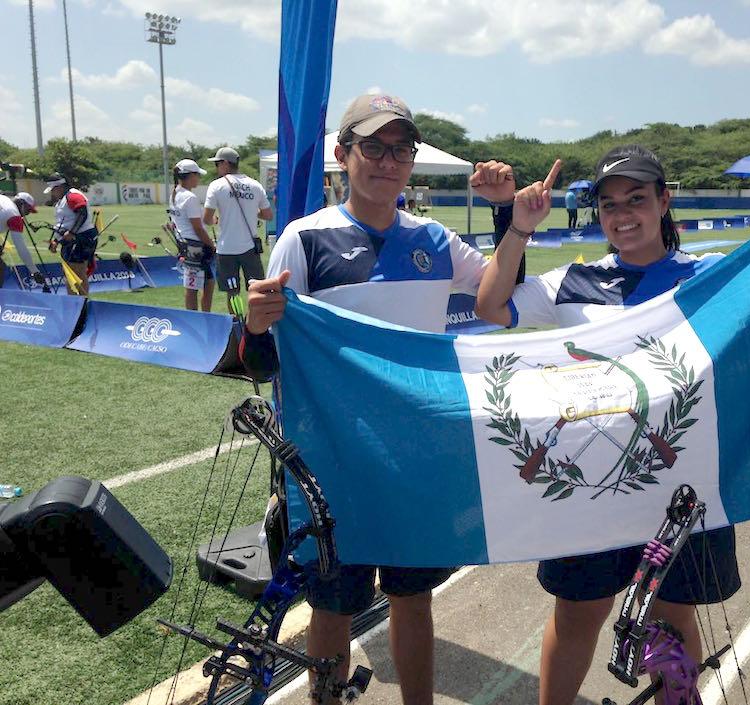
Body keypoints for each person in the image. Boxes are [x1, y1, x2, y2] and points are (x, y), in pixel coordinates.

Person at [474, 144, 750, 705]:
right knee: (578, 612)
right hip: (587, 488)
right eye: (609, 204)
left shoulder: (711, 279)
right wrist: (518, 227)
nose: (623, 213)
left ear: (664, 200)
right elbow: (491, 307)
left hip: (679, 485)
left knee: (672, 613)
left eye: (637, 198)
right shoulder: (571, 282)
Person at [242, 93, 515, 705]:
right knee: (332, 607)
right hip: (331, 463)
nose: (388, 161)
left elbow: (502, 295)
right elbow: (263, 362)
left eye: (401, 149)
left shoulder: (437, 239)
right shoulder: (304, 239)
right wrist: (255, 323)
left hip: (415, 460)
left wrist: (509, 218)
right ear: (343, 156)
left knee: (413, 601)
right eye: (373, 147)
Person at [203, 147, 273, 312]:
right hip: (250, 248)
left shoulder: (216, 186)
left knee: (232, 292)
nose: (217, 168)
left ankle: (236, 326)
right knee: (256, 290)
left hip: (226, 248)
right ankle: (255, 325)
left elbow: (207, 219)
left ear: (226, 164)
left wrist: (215, 220)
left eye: (218, 164)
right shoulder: (255, 185)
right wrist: (252, 212)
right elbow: (268, 215)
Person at [168, 159, 216, 311]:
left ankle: (195, 317)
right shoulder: (190, 197)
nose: (199, 179)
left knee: (193, 285)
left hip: (185, 244)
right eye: (197, 175)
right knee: (205, 285)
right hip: (196, 245)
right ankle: (204, 317)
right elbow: (198, 228)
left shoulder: (175, 194)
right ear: (191, 176)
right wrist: (211, 244)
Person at [44, 174, 98, 296]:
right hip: (72, 239)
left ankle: (80, 304)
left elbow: (82, 213)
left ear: (59, 187)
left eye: (53, 190)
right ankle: (74, 302)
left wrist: (72, 232)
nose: (52, 193)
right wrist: (56, 241)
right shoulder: (62, 200)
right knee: (70, 272)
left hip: (81, 238)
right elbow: (63, 223)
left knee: (77, 272)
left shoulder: (73, 196)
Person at [0, 191, 49, 291]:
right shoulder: (14, 215)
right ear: (21, 204)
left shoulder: (4, 201)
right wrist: (34, 271)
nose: (27, 214)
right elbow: (21, 248)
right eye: (28, 210)